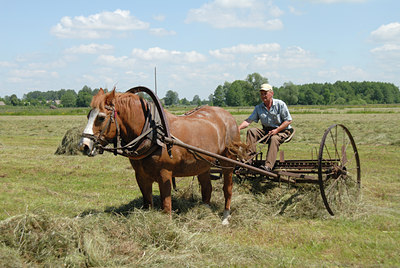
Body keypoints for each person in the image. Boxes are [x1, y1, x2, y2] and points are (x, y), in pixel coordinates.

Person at [238, 83, 293, 172]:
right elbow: (249, 120)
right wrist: (239, 128)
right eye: (261, 94)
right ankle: (248, 161)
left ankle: (268, 166)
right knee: (251, 131)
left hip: (282, 131)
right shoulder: (258, 107)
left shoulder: (280, 104)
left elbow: (288, 121)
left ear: (271, 93)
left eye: (265, 93)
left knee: (274, 138)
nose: (263, 96)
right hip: (267, 131)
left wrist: (277, 130)